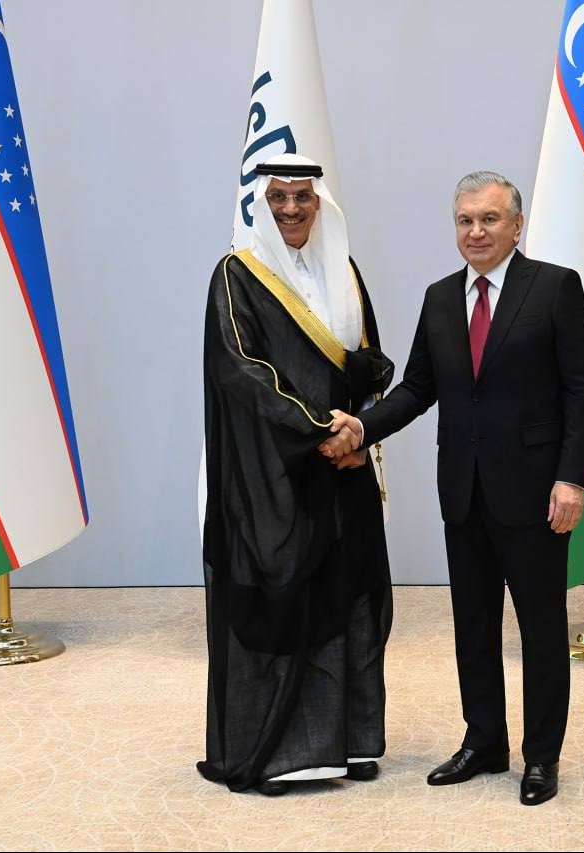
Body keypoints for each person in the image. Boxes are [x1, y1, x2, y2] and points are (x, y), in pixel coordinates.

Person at [322, 171, 584, 806]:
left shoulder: (555, 288)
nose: (476, 231)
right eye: (465, 220)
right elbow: (418, 388)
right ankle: (484, 742)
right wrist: (362, 427)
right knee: (472, 626)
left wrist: (571, 478)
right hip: (463, 491)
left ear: (516, 225)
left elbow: (582, 390)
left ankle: (541, 756)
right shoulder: (441, 297)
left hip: (536, 493)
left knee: (540, 631)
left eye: (489, 219)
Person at [197, 154, 394, 796]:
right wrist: (317, 429)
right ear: (263, 203)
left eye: (302, 197)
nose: (290, 209)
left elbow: (366, 357)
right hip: (273, 474)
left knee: (350, 595)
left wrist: (359, 431)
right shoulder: (237, 274)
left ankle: (351, 742)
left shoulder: (344, 270)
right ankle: (282, 753)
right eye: (278, 197)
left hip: (343, 467)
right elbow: (240, 371)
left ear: (320, 203)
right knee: (282, 601)